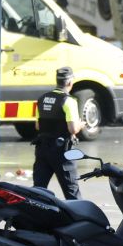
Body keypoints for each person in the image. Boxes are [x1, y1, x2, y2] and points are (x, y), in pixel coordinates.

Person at [32, 67, 84, 200]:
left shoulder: (42, 99)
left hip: (42, 150)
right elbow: (73, 129)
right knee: (72, 192)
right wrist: (81, 125)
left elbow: (38, 126)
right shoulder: (68, 101)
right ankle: (78, 219)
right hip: (62, 152)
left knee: (38, 190)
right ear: (69, 83)